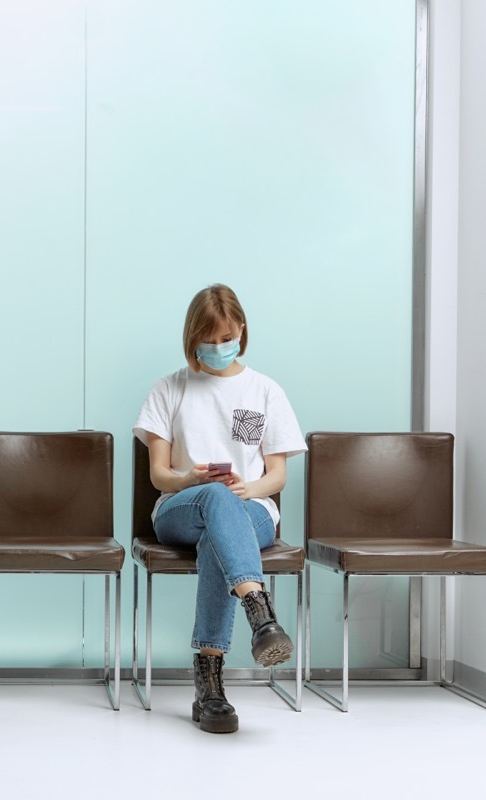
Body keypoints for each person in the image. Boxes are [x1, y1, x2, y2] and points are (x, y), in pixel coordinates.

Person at [132, 284, 306, 734]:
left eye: (225, 338)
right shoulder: (169, 388)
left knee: (219, 533)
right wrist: (191, 479)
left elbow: (277, 476)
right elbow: (159, 475)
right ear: (192, 338)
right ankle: (259, 611)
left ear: (241, 331)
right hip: (181, 507)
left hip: (250, 509)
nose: (217, 347)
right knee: (215, 499)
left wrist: (248, 488)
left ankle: (209, 686)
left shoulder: (265, 391)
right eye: (207, 340)